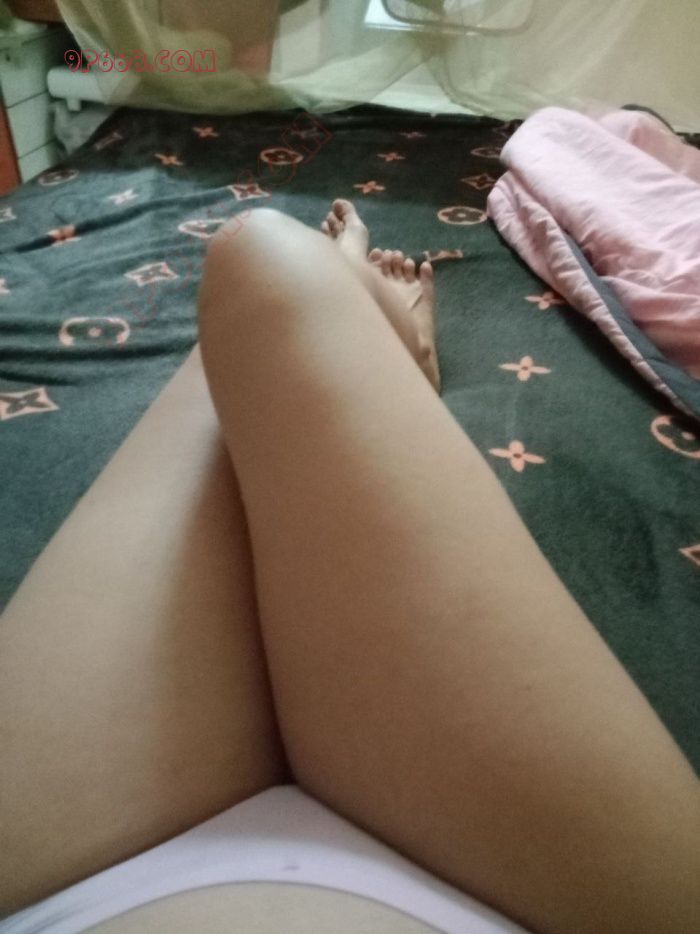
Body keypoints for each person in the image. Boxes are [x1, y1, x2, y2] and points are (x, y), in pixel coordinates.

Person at [1, 202, 698, 934]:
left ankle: (352, 314)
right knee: (266, 266)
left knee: (254, 295)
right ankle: (374, 333)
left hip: (49, 887)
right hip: (546, 902)